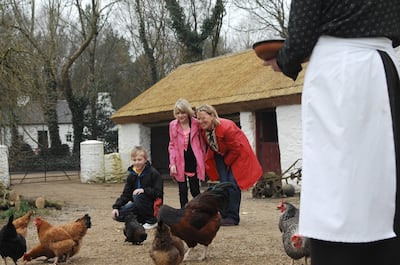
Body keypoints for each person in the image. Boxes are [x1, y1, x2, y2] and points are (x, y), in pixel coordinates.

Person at [263, 1, 400, 264]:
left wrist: (285, 58)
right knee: (382, 177)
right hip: (381, 70)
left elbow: (303, 33)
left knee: (337, 187)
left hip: (340, 74)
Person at [196, 104, 263, 226]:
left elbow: (236, 149)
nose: (201, 121)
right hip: (220, 153)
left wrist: (226, 164)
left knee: (232, 184)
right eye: (198, 119)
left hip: (238, 154)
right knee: (223, 184)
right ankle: (224, 214)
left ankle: (233, 216)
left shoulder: (227, 127)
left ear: (212, 115)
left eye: (203, 118)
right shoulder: (202, 129)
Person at [111, 146, 163, 230]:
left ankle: (152, 221)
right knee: (118, 215)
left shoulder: (154, 173)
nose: (137, 162)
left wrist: (144, 190)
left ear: (145, 160)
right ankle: (141, 221)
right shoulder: (131, 175)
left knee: (137, 195)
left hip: (152, 204)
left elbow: (158, 193)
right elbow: (126, 194)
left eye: (139, 160)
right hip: (137, 203)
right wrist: (116, 207)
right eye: (134, 160)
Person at [168, 98, 206, 208]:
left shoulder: (196, 123)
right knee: (182, 190)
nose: (181, 116)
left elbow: (202, 143)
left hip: (193, 159)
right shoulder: (172, 125)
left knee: (195, 189)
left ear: (188, 112)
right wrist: (172, 163)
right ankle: (183, 214)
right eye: (178, 113)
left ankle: (200, 211)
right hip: (180, 160)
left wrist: (203, 159)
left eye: (183, 112)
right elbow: (172, 145)